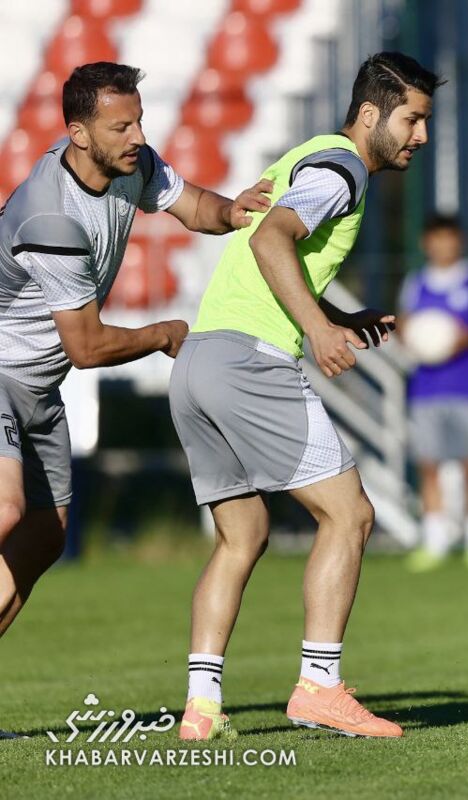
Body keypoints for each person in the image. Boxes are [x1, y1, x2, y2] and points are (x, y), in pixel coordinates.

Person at [168, 52, 441, 740]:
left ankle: (201, 709)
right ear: (371, 113)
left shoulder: (310, 154)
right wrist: (319, 330)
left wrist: (338, 316)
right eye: (412, 120)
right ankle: (319, 687)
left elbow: (274, 247)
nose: (421, 136)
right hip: (250, 363)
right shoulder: (343, 169)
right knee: (349, 515)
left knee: (242, 535)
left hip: (200, 360)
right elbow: (271, 240)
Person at [0, 62, 269, 645]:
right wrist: (164, 333)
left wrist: (232, 211)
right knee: (5, 510)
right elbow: (87, 347)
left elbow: (193, 205)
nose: (139, 137)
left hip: (38, 388)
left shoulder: (131, 165)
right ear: (78, 134)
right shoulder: (51, 217)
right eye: (121, 127)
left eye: (139, 122)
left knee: (46, 534)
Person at [400, 214, 468, 572]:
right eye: (436, 238)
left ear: (459, 241)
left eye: (449, 238)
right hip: (426, 390)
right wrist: (412, 335)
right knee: (429, 466)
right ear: (426, 243)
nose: (443, 246)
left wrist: (465, 338)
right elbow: (405, 327)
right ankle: (435, 542)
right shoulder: (416, 283)